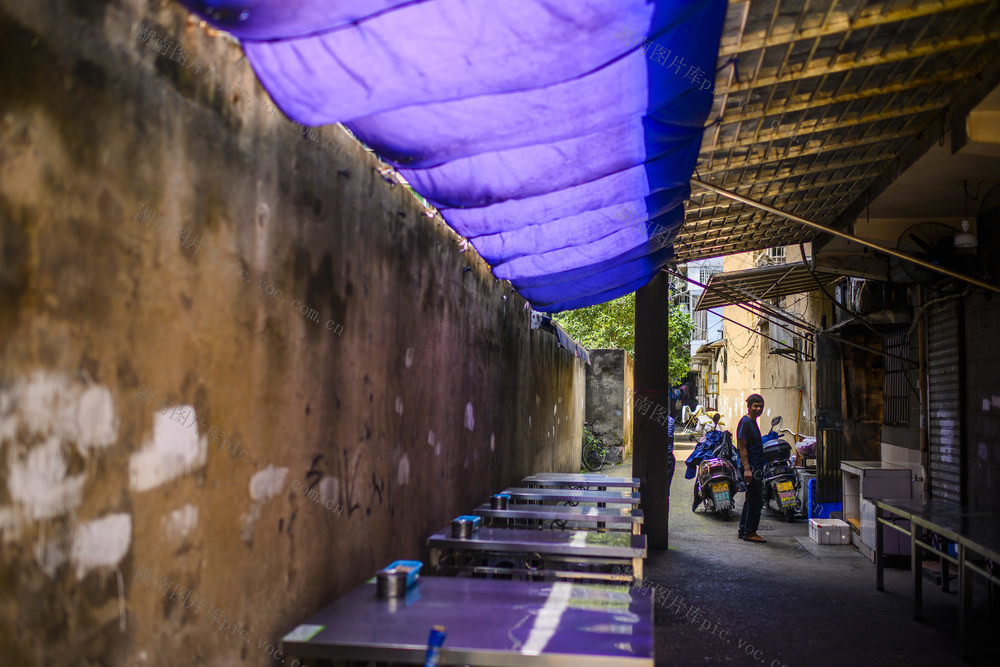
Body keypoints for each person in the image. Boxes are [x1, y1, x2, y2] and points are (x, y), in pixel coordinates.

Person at [736, 394, 766, 543]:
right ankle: (750, 532)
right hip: (751, 467)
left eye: (761, 406)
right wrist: (747, 469)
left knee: (751, 500)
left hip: (755, 466)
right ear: (749, 406)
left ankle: (744, 530)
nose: (758, 408)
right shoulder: (746, 423)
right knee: (756, 501)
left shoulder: (752, 422)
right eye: (755, 406)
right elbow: (742, 447)